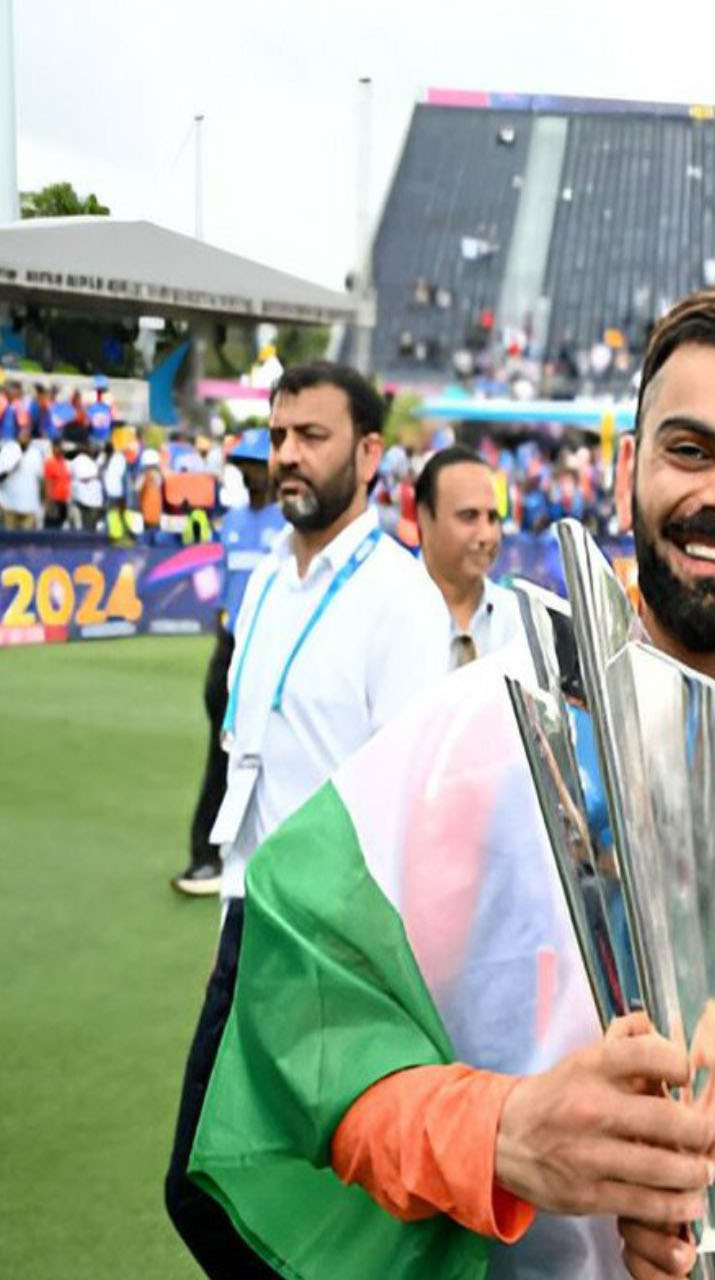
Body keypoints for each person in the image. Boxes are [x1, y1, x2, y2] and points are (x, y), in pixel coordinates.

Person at [188, 288, 715, 1279]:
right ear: (625, 471)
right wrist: (503, 1130)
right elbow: (310, 1024)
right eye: (690, 450)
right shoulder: (478, 739)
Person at [163, 363, 454, 1277]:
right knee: (216, 1187)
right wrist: (229, 917)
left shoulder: (401, 600)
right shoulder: (265, 585)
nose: (287, 454)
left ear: (368, 454)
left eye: (311, 437)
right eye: (280, 435)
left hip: (333, 949)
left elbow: (413, 807)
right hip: (252, 926)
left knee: (250, 1196)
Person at [173, 430, 285, 897]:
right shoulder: (233, 521)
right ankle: (207, 855)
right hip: (231, 646)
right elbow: (224, 585)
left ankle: (259, 859)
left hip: (271, 650)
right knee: (221, 754)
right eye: (242, 466)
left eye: (255, 466)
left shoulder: (289, 525)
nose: (248, 474)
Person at [415, 443, 526, 664]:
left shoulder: (519, 622)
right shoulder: (387, 615)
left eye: (493, 518)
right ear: (424, 517)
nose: (486, 535)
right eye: (469, 516)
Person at [0, 410, 44, 530]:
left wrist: (43, 502)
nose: (25, 433)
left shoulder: (36, 454)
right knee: (9, 540)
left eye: (27, 430)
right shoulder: (7, 450)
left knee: (27, 540)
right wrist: (13, 466)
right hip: (9, 504)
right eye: (22, 430)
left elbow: (41, 480)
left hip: (30, 505)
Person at [69, 441, 104, 532]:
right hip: (85, 499)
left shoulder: (90, 461)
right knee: (87, 526)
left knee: (90, 525)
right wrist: (95, 476)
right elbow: (82, 477)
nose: (92, 450)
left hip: (91, 499)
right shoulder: (79, 460)